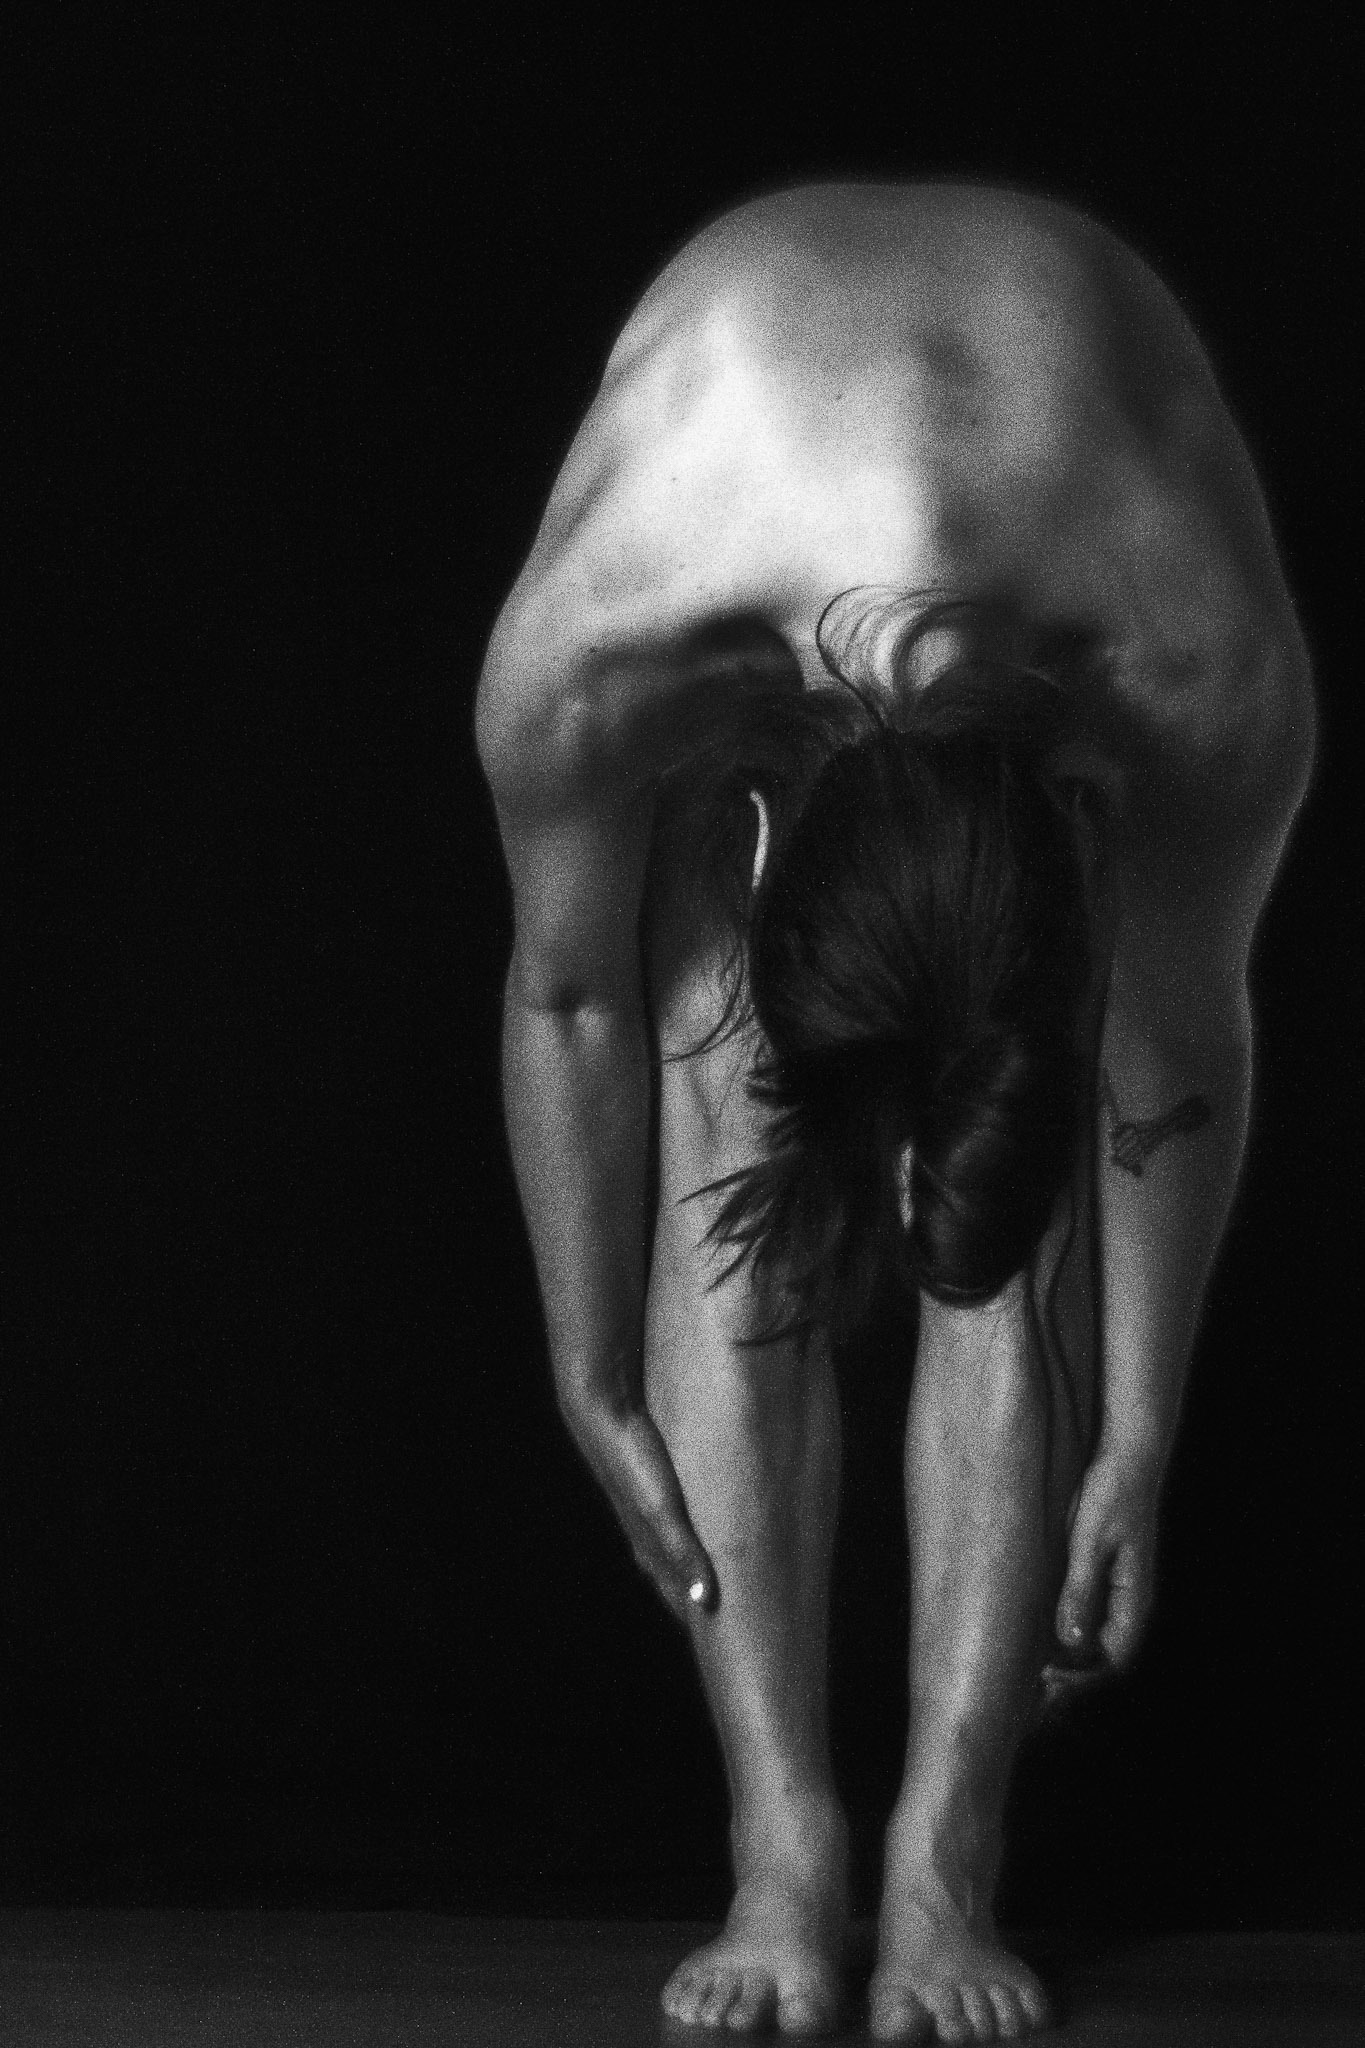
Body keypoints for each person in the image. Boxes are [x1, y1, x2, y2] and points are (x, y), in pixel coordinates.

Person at [474, 182, 1314, 2041]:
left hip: (1074, 498)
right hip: (745, 473)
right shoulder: (606, 648)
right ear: (760, 843)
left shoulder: (1194, 678)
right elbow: (571, 994)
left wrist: (1140, 1431)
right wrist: (587, 1369)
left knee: (1003, 1201)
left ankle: (945, 1865)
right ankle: (782, 1846)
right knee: (720, 1082)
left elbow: (1177, 1044)